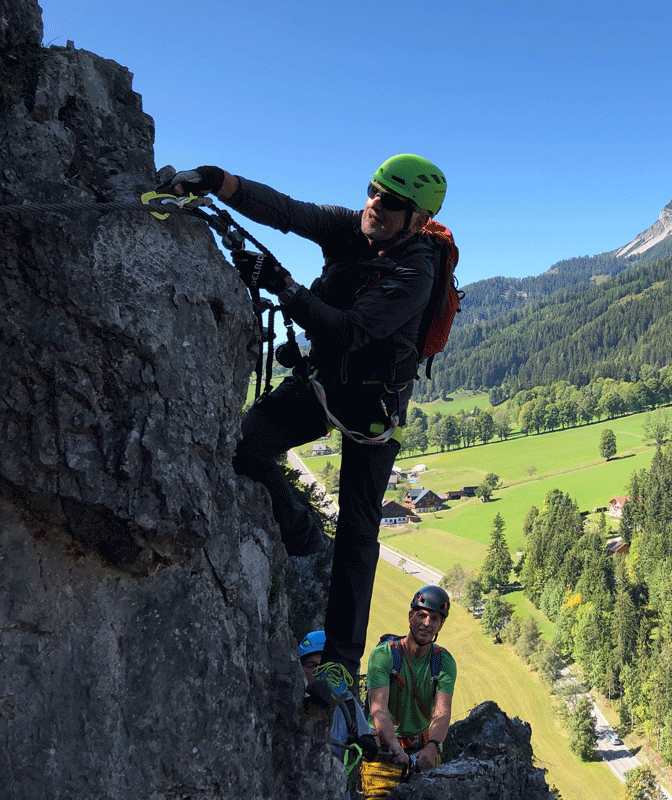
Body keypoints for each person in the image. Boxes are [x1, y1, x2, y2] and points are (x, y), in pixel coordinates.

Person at [163, 156, 449, 703]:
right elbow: (289, 212)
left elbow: (350, 331)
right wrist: (222, 183)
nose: (376, 204)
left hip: (371, 410)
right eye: (373, 190)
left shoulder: (416, 273)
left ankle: (341, 663)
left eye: (392, 201)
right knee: (246, 447)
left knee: (360, 528)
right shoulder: (352, 228)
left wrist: (285, 287)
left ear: (416, 219)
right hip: (323, 383)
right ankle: (297, 525)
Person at [360, 586, 456, 799]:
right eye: (421, 615)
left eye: (434, 618)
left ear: (441, 624)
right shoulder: (384, 655)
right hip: (384, 750)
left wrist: (432, 748)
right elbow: (378, 710)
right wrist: (395, 747)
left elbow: (442, 712)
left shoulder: (443, 662)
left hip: (422, 751)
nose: (427, 623)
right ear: (411, 616)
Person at [299, 630, 376, 798]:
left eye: (324, 665)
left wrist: (366, 745)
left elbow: (366, 738)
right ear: (301, 668)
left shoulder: (346, 702)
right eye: (312, 666)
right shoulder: (291, 702)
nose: (319, 673)